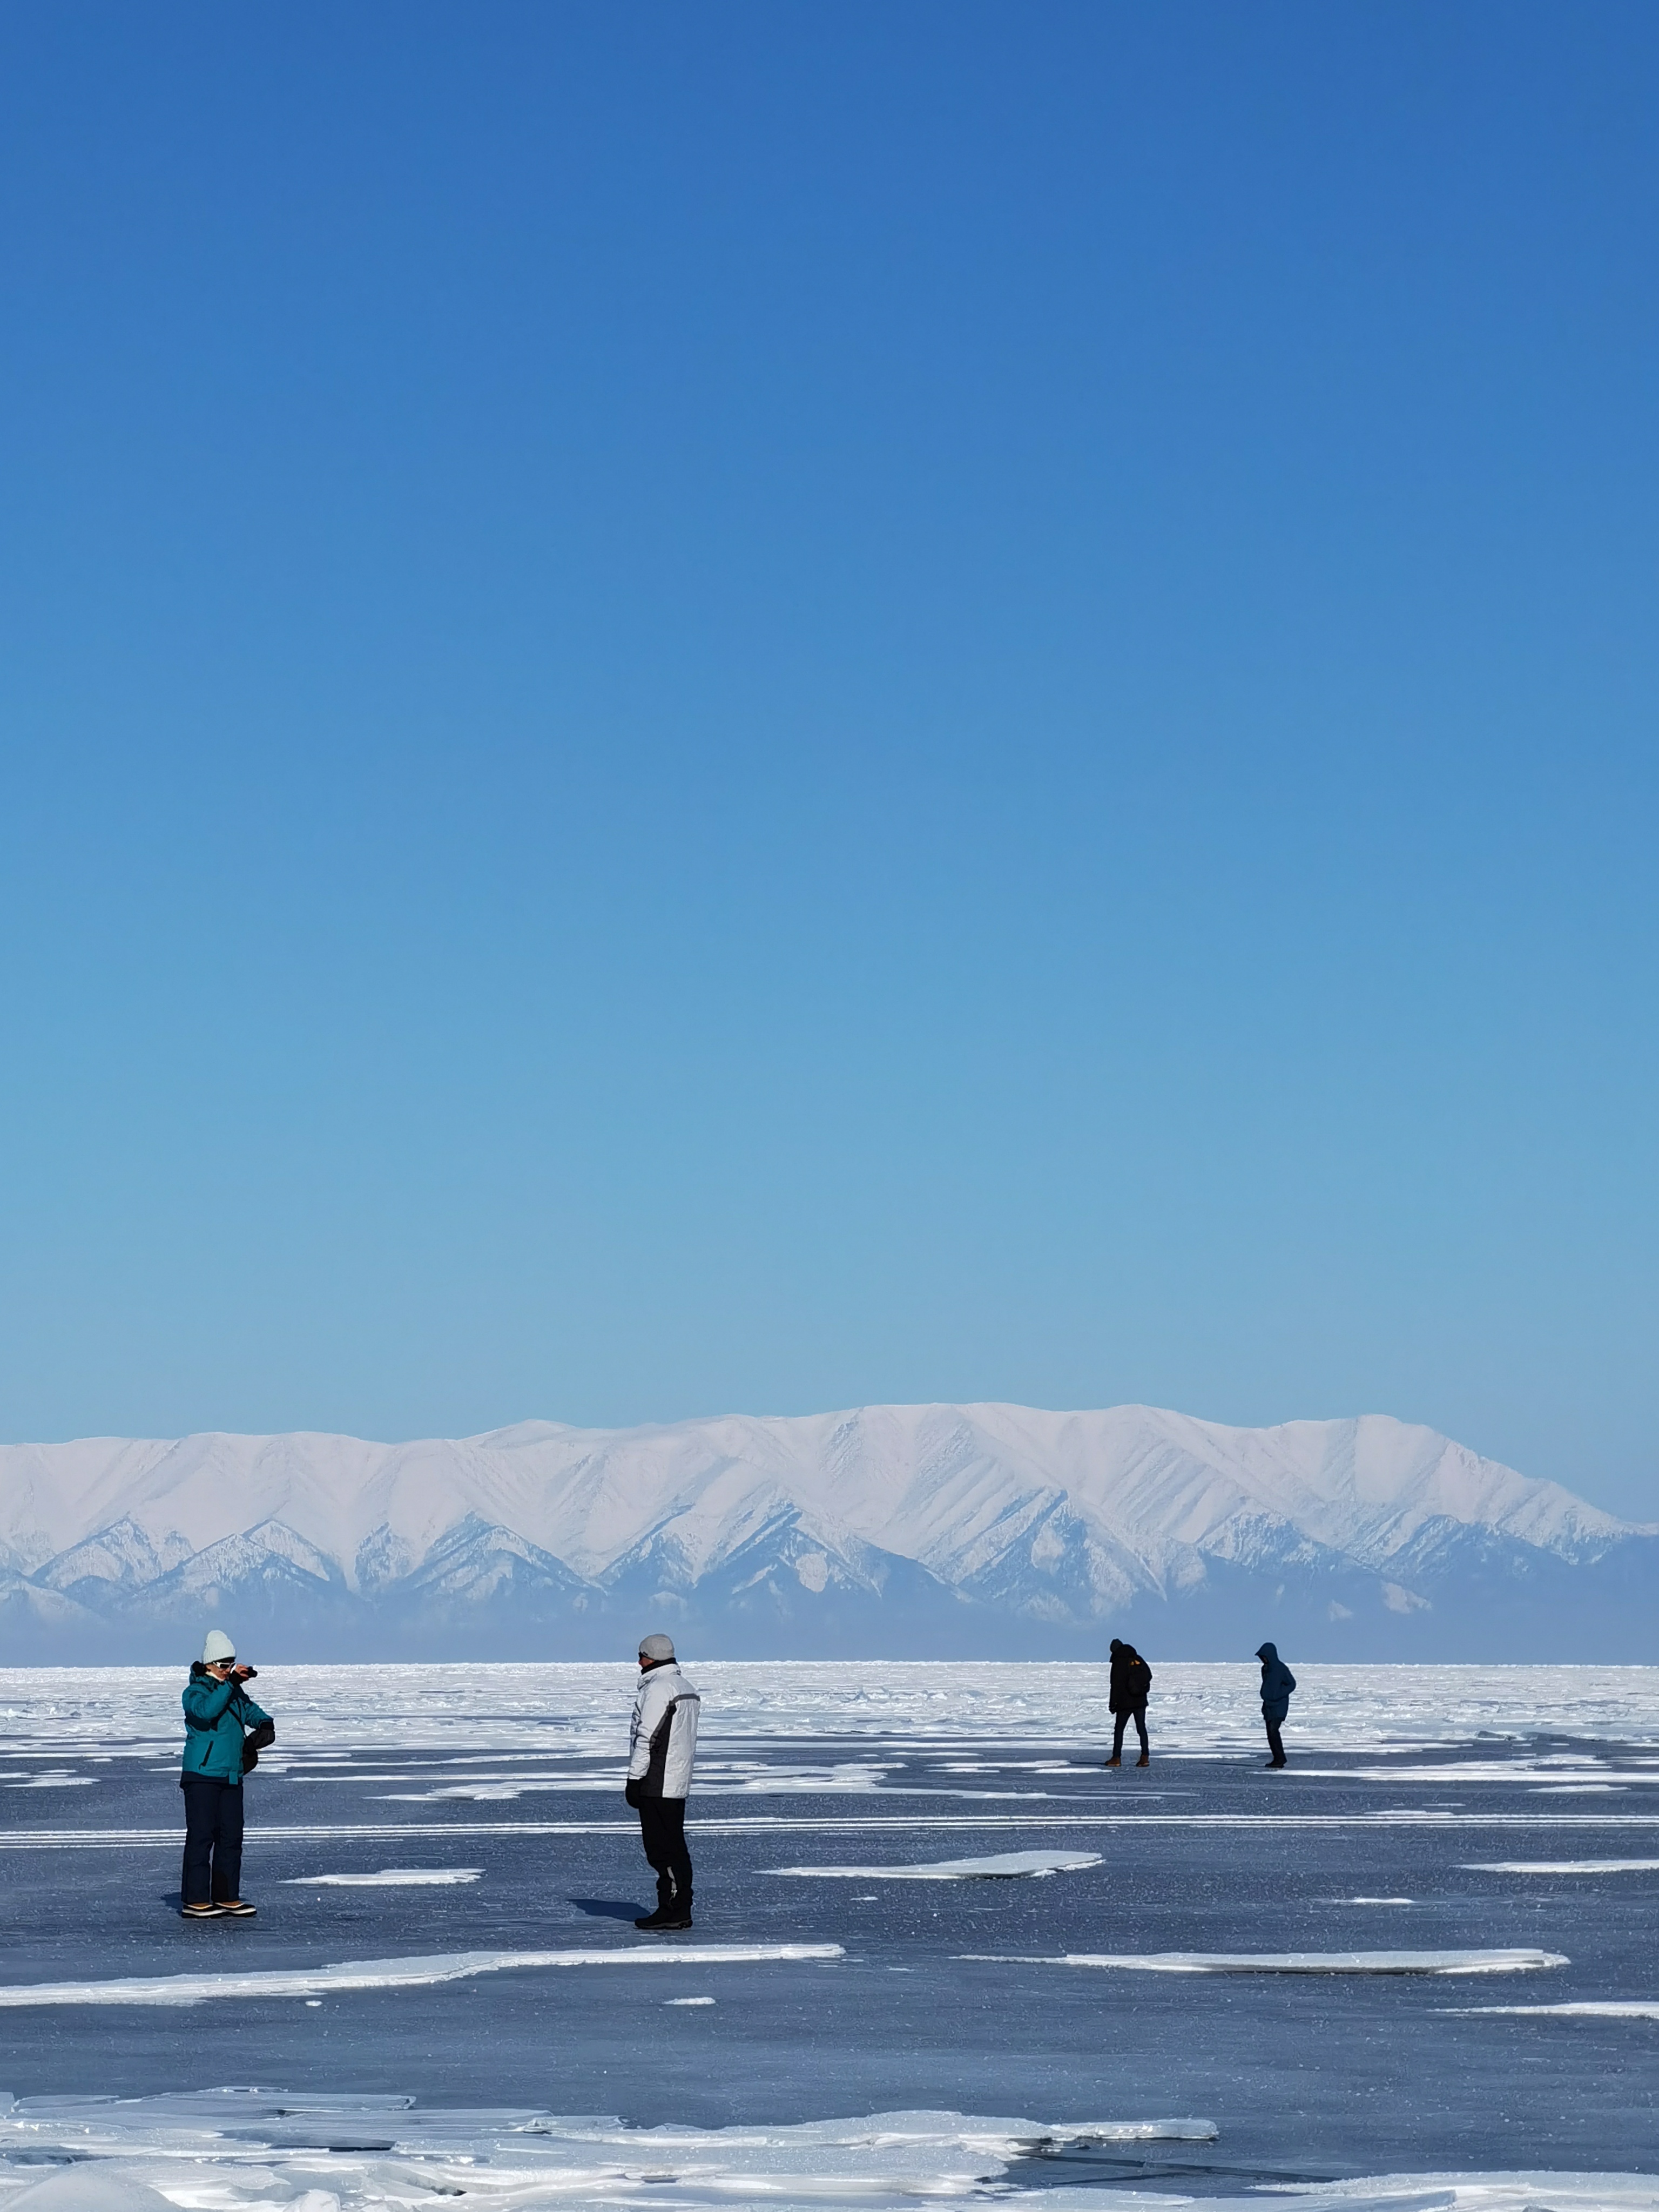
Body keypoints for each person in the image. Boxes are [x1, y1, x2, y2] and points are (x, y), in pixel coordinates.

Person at [179, 1628, 273, 1918]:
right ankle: (196, 1899)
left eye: (231, 1664)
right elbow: (207, 1712)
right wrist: (230, 1683)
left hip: (232, 1775)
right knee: (202, 1836)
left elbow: (250, 1710)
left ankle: (226, 1896)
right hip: (202, 1775)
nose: (227, 1670)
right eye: (223, 1665)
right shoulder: (194, 1692)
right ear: (209, 1664)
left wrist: (266, 1725)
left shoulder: (233, 1690)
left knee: (231, 1837)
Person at [625, 1632, 700, 1931]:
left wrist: (634, 1779)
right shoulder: (685, 1687)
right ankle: (679, 1906)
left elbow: (648, 1738)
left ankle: (671, 1908)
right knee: (675, 1846)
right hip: (677, 1779)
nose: (638, 1662)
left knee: (661, 1849)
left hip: (657, 1781)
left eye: (640, 1656)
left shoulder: (659, 1689)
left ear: (650, 1658)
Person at [1104, 1638, 1151, 1768]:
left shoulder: (1119, 1662)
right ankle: (1145, 1757)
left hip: (1124, 1702)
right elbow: (1149, 1676)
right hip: (1140, 1700)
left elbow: (1115, 1685)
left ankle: (1116, 1758)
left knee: (1119, 1729)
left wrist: (1113, 1704)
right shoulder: (1137, 1659)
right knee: (1141, 1728)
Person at [1256, 1641, 1296, 1768]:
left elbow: (1292, 1684)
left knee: (1273, 1731)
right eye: (1262, 1657)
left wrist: (1278, 1694)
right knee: (1270, 1733)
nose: (1263, 1659)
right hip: (1268, 1706)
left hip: (1279, 1706)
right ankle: (1278, 1758)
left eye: (1264, 1657)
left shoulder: (1281, 1668)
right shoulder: (1265, 1669)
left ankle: (1280, 1759)